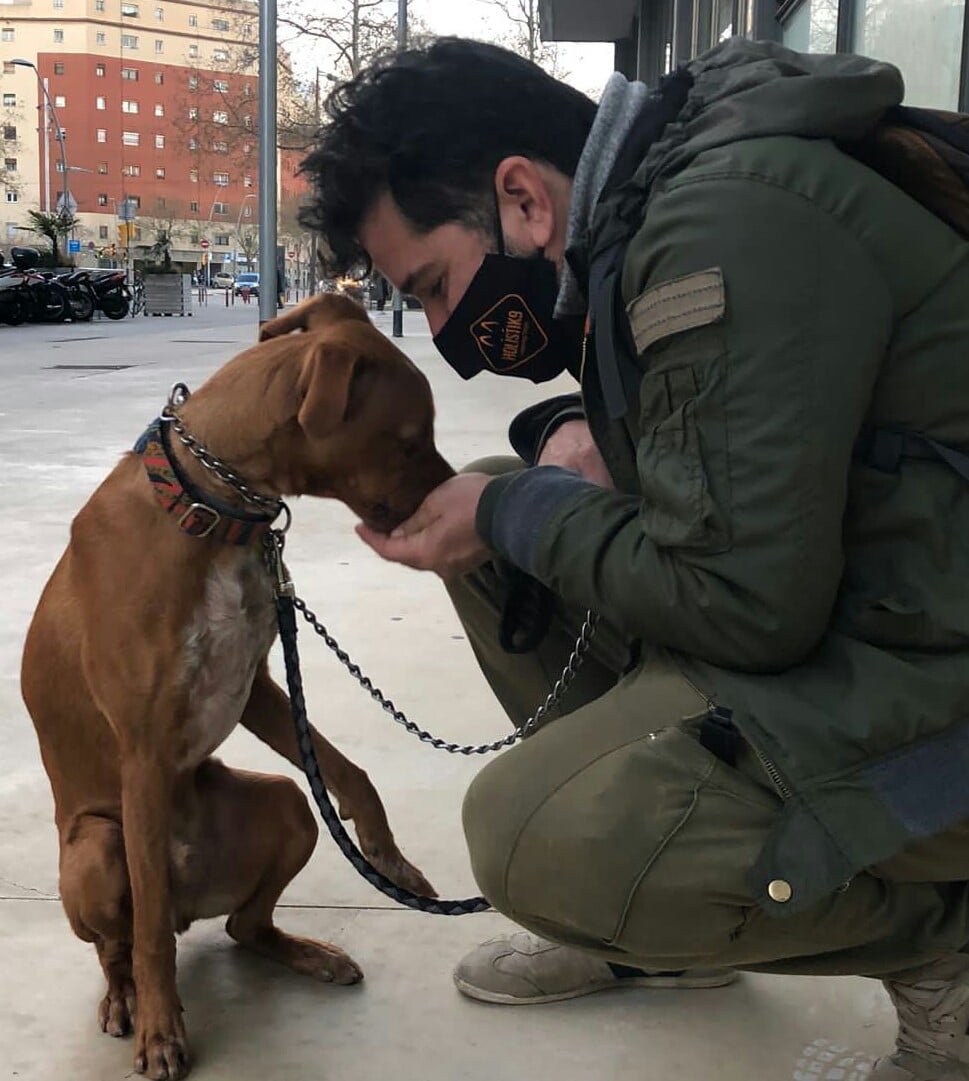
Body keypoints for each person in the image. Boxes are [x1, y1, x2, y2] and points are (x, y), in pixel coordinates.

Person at [300, 37, 969, 1080]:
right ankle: (660, 951)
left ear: (521, 196)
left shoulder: (721, 222)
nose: (446, 333)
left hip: (932, 675)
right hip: (897, 608)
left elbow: (747, 606)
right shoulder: (669, 200)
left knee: (532, 838)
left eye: (432, 287)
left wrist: (520, 507)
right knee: (500, 523)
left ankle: (945, 947)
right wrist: (574, 441)